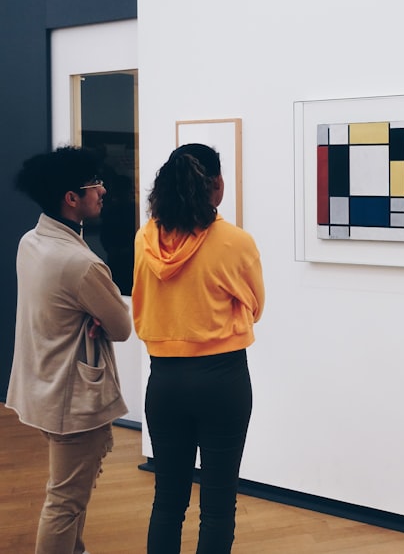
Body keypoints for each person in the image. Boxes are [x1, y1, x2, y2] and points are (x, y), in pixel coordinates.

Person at [132, 143, 265, 554]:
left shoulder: (145, 238)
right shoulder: (234, 241)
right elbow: (255, 306)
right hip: (222, 380)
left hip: (165, 380)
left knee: (167, 501)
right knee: (218, 505)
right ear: (218, 185)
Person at [6, 145, 132, 554]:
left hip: (41, 386)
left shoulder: (31, 242)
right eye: (95, 185)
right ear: (71, 198)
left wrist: (89, 313)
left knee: (67, 494)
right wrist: (95, 314)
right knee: (64, 501)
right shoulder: (82, 265)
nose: (103, 191)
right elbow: (121, 326)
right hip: (70, 398)